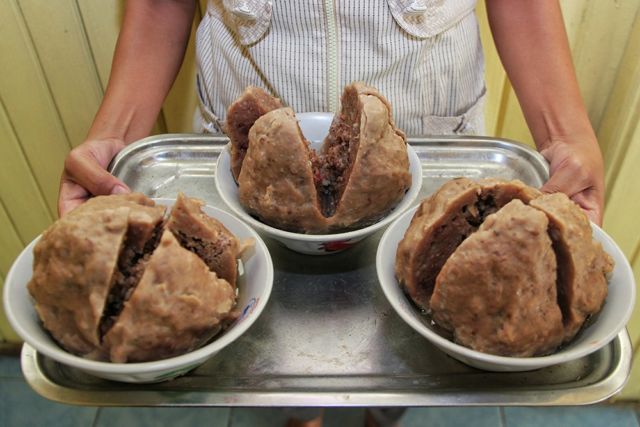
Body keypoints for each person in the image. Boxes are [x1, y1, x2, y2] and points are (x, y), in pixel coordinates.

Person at [57, 1, 606, 426]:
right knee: (260, 344)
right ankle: (300, 414)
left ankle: (383, 413)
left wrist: (567, 135)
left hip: (430, 149)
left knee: (422, 339)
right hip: (252, 174)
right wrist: (116, 140)